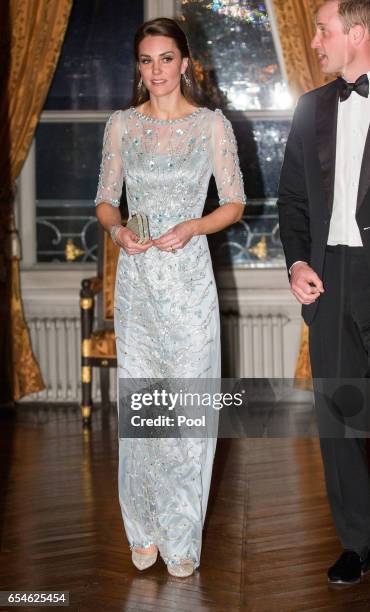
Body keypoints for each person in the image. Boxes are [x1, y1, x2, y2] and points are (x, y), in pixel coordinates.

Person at [94, 18, 246, 577]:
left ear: (185, 63)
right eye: (144, 60)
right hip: (137, 282)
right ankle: (143, 526)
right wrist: (117, 231)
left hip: (187, 283)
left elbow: (234, 203)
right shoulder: (120, 126)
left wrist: (192, 227)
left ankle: (181, 532)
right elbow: (106, 201)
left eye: (165, 59)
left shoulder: (211, 126)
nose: (155, 71)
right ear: (137, 67)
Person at [278, 0, 370, 587]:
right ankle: (357, 543)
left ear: (358, 32)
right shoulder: (311, 108)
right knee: (338, 418)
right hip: (330, 280)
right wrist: (297, 260)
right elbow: (292, 199)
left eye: (323, 29)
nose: (314, 41)